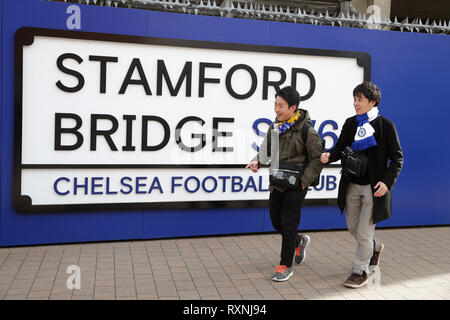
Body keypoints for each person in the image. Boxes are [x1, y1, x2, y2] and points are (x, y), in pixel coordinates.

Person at [320, 81, 403, 289]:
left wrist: (387, 181)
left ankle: (360, 271)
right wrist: (329, 155)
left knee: (365, 232)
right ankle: (375, 247)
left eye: (360, 100)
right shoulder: (351, 123)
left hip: (374, 189)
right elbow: (340, 148)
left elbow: (397, 158)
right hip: (351, 185)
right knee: (353, 227)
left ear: (372, 102)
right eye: (354, 99)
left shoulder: (385, 126)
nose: (356, 103)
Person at [246, 86, 324, 282]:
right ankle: (298, 240)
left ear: (293, 107)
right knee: (276, 221)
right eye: (275, 105)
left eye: (281, 106)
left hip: (297, 184)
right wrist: (258, 161)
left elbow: (317, 159)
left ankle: (285, 265)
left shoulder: (308, 130)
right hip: (277, 181)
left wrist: (305, 181)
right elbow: (266, 149)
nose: (277, 109)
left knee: (288, 223)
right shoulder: (275, 126)